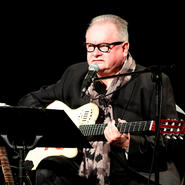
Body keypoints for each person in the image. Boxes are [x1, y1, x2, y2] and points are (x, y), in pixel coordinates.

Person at [18, 14, 181, 185]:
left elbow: (169, 143)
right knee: (48, 170)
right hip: (80, 167)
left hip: (131, 170)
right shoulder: (75, 74)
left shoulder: (151, 81)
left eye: (104, 47)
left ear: (124, 48)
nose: (95, 53)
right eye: (90, 46)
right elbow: (30, 100)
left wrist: (128, 142)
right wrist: (57, 127)